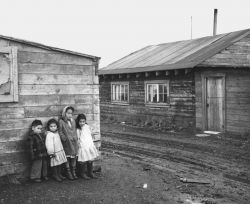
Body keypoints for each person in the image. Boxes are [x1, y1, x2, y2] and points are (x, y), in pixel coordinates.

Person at [76, 114, 99, 179]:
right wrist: (79, 145)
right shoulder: (78, 129)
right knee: (83, 160)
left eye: (83, 121)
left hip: (89, 144)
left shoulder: (87, 126)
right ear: (78, 122)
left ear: (85, 121)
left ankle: (90, 172)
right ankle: (82, 173)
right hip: (83, 145)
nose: (82, 123)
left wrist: (92, 140)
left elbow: (90, 134)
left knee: (90, 159)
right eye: (80, 122)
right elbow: (78, 138)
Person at [58, 106, 78, 180]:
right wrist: (64, 138)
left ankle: (73, 171)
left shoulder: (73, 121)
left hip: (74, 142)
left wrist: (75, 137)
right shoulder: (61, 121)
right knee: (67, 157)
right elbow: (60, 131)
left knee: (73, 157)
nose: (70, 115)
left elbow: (75, 130)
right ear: (64, 113)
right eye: (68, 113)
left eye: (71, 113)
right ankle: (68, 172)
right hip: (67, 143)